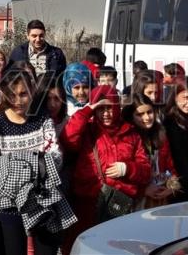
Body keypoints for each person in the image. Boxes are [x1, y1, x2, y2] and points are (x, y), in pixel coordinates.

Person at [0, 68, 73, 255]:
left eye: (23, 94)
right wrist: (36, 166)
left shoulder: (43, 118)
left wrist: (12, 166)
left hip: (43, 201)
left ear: (32, 91)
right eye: (11, 95)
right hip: (10, 204)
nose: (18, 101)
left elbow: (55, 157)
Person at [60, 86, 150, 254]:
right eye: (101, 108)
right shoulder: (87, 130)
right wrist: (88, 110)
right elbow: (68, 139)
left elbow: (145, 171)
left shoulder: (130, 133)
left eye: (110, 108)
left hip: (119, 205)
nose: (106, 113)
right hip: (88, 205)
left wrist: (128, 168)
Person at [122, 94, 177, 209]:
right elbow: (124, 176)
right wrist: (143, 190)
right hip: (136, 201)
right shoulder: (126, 139)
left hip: (161, 198)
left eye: (149, 112)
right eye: (140, 114)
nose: (146, 117)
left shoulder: (160, 134)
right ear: (130, 116)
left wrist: (172, 186)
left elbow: (170, 165)